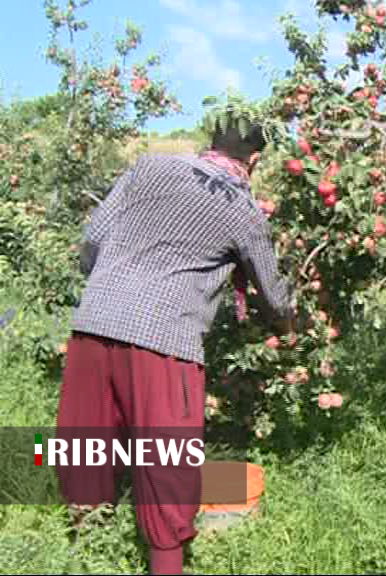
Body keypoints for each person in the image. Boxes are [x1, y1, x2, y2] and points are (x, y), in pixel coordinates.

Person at [57, 120, 295, 575]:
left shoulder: (147, 168)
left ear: (212, 143)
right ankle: (165, 565)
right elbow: (272, 292)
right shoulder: (242, 210)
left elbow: (93, 239)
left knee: (85, 445)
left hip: (92, 325)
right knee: (168, 466)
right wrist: (286, 324)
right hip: (164, 342)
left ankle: (85, 552)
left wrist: (109, 286)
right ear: (254, 159)